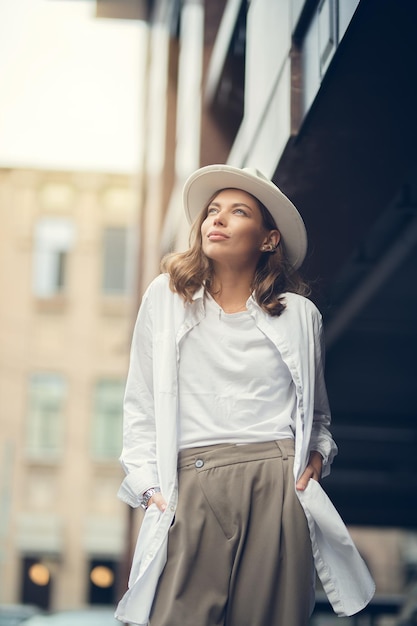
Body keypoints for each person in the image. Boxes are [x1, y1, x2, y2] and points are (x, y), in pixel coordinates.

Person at [115, 165, 375, 626]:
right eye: (212, 211)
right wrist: (149, 488)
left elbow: (316, 417)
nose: (217, 219)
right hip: (189, 482)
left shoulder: (300, 316)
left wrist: (315, 457)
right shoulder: (166, 298)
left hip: (276, 481)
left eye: (238, 212)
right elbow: (140, 404)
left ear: (268, 239)